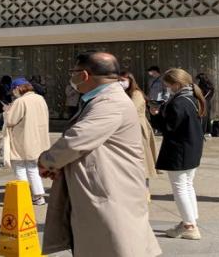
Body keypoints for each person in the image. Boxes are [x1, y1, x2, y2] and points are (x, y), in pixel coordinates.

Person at [38, 51, 161, 257]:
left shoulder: (110, 102)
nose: (72, 76)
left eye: (74, 72)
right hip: (103, 184)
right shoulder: (102, 99)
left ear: (84, 75)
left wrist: (47, 161)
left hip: (111, 188)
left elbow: (77, 139)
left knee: (115, 244)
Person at [150, 68, 206, 240]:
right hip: (192, 148)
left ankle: (190, 226)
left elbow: (168, 128)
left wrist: (156, 115)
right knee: (188, 185)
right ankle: (189, 222)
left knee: (181, 188)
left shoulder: (179, 102)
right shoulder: (195, 98)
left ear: (176, 84)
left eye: (168, 84)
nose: (167, 87)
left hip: (179, 150)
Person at [3, 77, 50, 206]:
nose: (13, 93)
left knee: (19, 167)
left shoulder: (21, 101)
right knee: (33, 168)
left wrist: (7, 112)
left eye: (13, 90)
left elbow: (11, 120)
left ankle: (24, 195)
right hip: (38, 139)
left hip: (22, 139)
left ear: (17, 88)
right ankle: (39, 196)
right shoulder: (40, 99)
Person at [119, 71, 158, 200]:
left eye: (123, 80)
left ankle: (145, 192)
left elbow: (131, 111)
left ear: (131, 80)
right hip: (126, 130)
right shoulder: (122, 93)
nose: (120, 83)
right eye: (118, 80)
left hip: (138, 129)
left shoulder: (136, 93)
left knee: (143, 160)